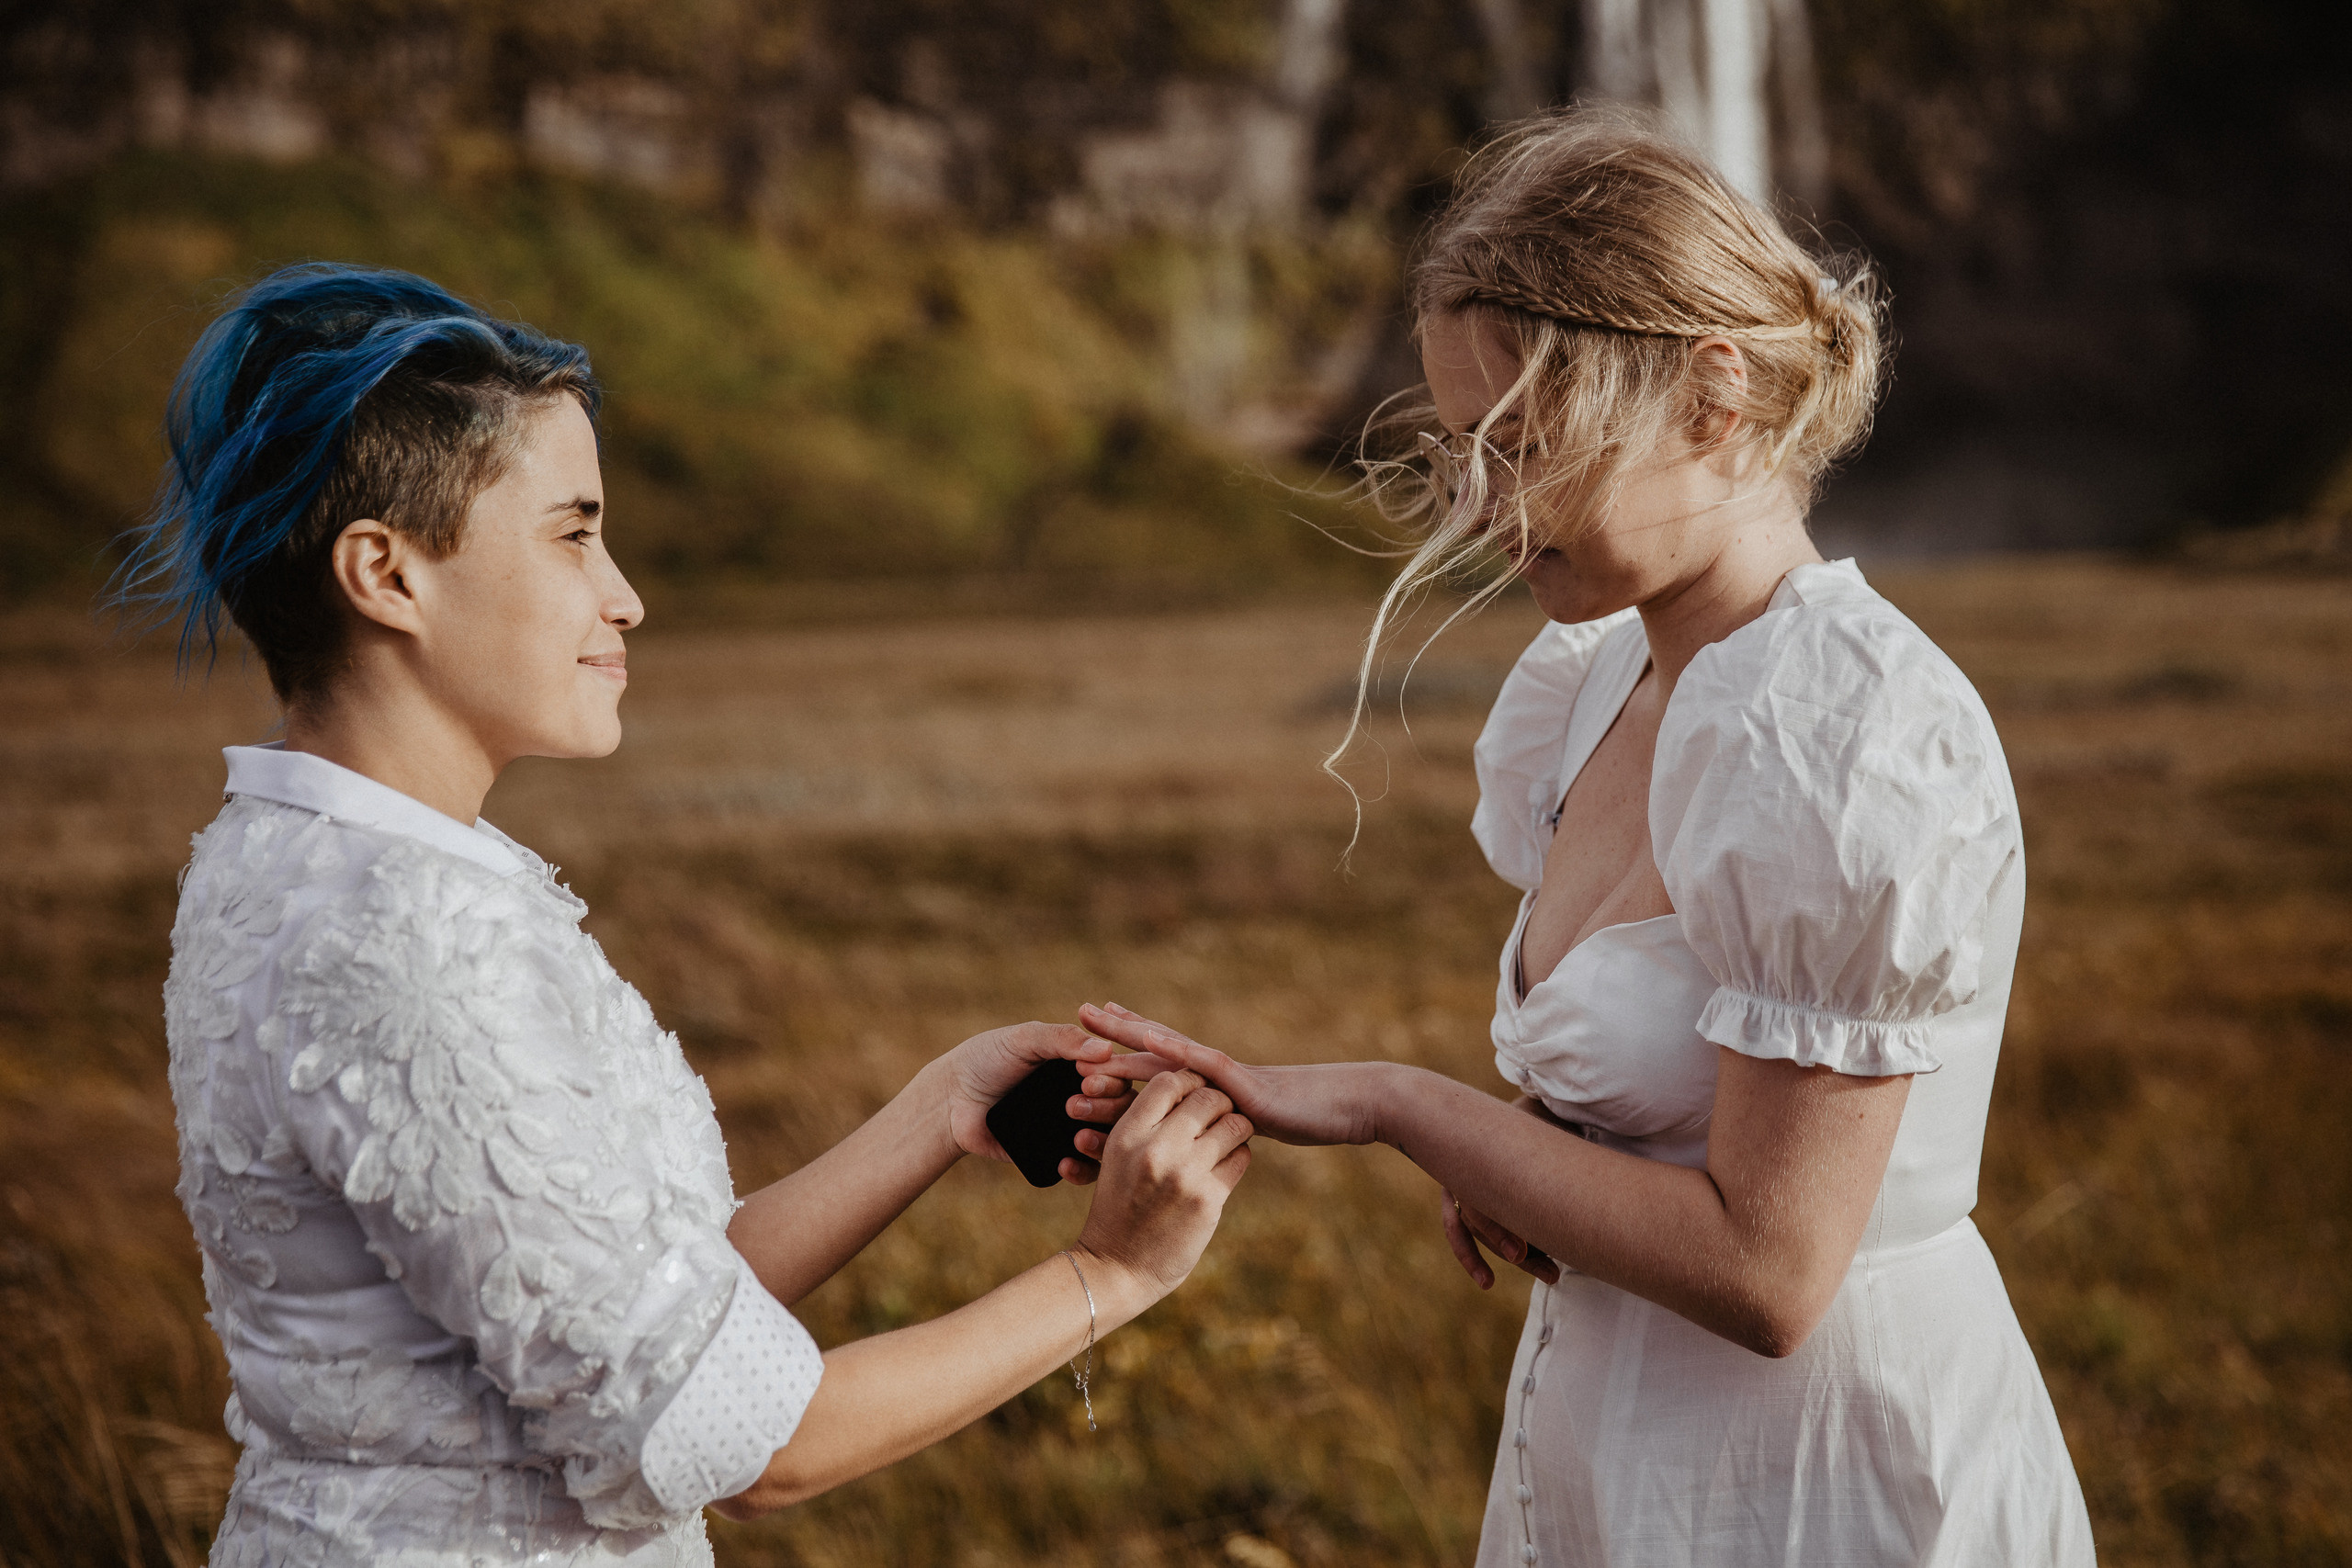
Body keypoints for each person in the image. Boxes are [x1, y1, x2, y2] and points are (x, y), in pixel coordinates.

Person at [1079, 111, 2097, 1564]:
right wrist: (1538, 1160)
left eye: (1525, 444)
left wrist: (1404, 1108)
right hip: (1615, 1457)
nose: (1480, 503)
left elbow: (1770, 1274)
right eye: (1459, 446)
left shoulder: (1844, 733)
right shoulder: (1603, 676)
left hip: (1825, 1480)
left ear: (1711, 397)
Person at [130, 263, 1253, 1566]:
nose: (626, 594)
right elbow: (745, 1447)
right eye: (571, 532)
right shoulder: (404, 943)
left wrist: (937, 1114)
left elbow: (620, 1308)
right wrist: (1115, 1272)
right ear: (387, 576)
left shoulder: (301, 859)